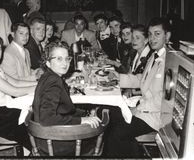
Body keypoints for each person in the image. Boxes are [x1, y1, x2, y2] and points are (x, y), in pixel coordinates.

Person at [104, 17, 171, 158]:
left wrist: (137, 109)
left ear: (168, 36)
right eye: (151, 34)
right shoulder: (155, 56)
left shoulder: (170, 62)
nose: (152, 38)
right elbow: (141, 79)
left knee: (116, 134)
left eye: (157, 34)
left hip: (155, 116)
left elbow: (163, 100)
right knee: (112, 116)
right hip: (145, 108)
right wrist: (118, 77)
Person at [32, 40, 101, 156]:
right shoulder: (54, 81)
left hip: (48, 137)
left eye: (67, 58)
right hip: (56, 142)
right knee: (97, 137)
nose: (64, 63)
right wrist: (82, 120)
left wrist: (86, 113)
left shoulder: (48, 76)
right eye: (59, 59)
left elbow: (63, 109)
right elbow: (46, 118)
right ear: (48, 63)